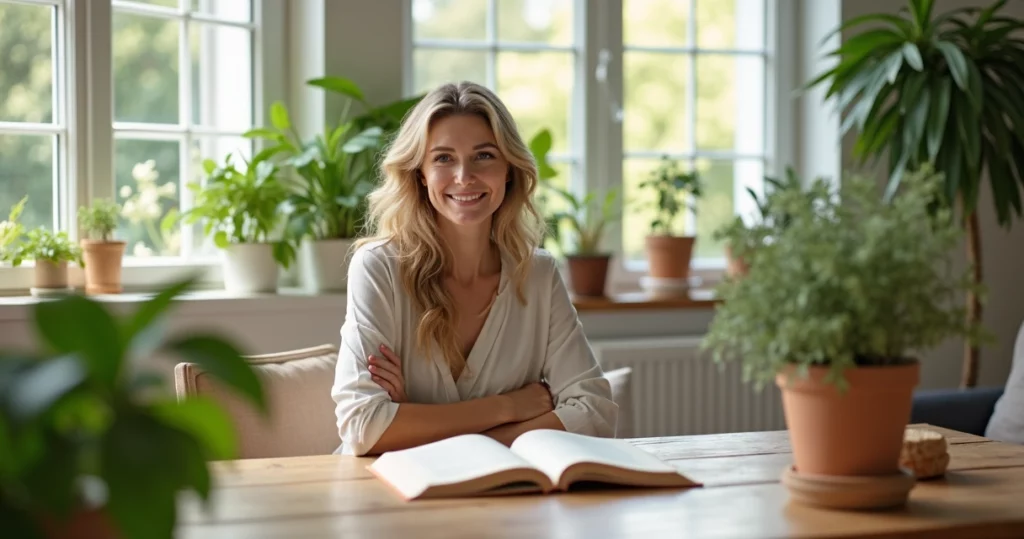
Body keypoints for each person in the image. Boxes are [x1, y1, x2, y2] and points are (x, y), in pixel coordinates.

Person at [331, 81, 617, 456]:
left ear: (509, 169)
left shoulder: (538, 275)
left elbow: (596, 413)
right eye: (443, 158)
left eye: (484, 155)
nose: (464, 176)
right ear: (420, 173)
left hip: (507, 488)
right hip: (384, 486)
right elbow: (363, 426)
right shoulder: (379, 268)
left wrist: (413, 422)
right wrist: (508, 407)